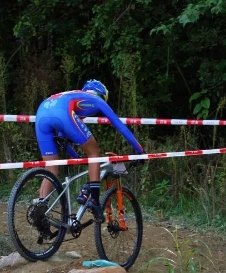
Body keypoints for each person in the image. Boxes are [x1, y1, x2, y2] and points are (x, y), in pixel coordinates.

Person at [34, 79, 146, 221]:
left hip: (42, 111)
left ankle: (40, 210)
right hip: (61, 112)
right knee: (94, 152)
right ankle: (94, 200)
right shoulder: (97, 100)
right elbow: (120, 126)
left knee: (51, 169)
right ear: (102, 95)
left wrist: (76, 158)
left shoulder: (76, 96)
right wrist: (140, 150)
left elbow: (63, 136)